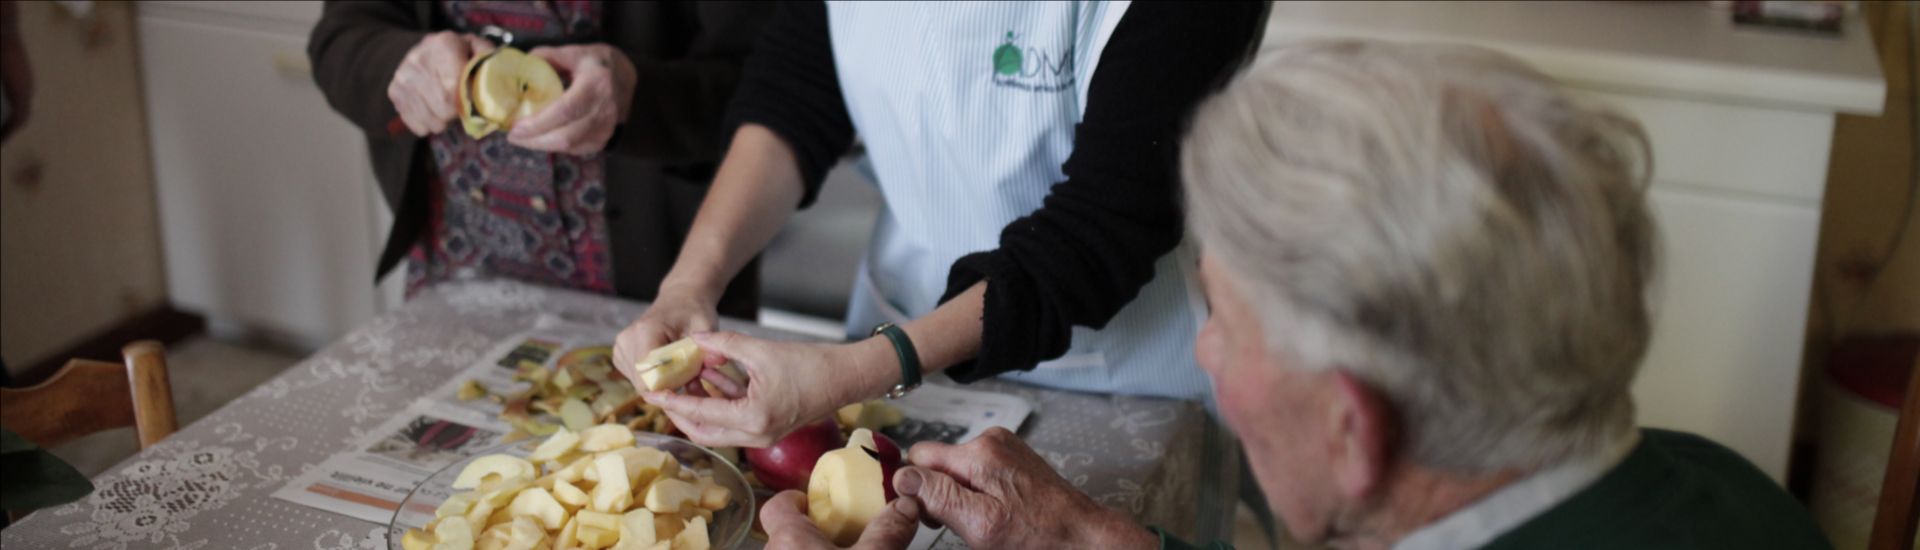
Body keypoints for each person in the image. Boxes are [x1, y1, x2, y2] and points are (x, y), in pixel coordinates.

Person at [757, 41, 1835, 550]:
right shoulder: (1727, 486)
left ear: (1350, 427)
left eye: (1218, 315)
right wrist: (1092, 537)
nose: (1205, 349)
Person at [612, 1, 1268, 448]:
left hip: (1119, 377)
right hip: (886, 336)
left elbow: (1101, 230)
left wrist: (862, 368)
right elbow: (794, 97)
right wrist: (689, 286)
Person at [307, 1, 771, 318]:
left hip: (664, 285)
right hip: (455, 274)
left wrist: (639, 94)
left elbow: (785, 86)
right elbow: (339, 39)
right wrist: (403, 65)